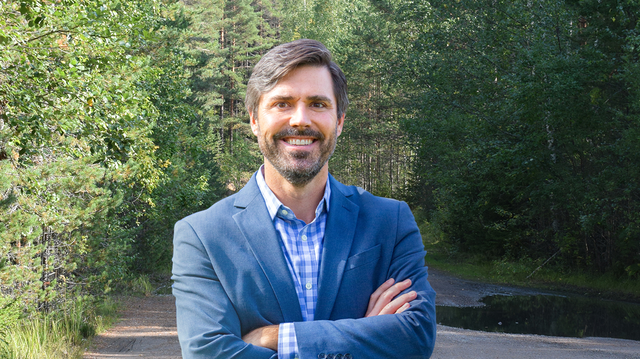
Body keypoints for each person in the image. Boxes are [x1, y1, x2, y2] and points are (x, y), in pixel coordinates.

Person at [172, 39, 436, 359]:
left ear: (339, 122)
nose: (300, 119)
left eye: (318, 104)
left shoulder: (390, 222)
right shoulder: (202, 236)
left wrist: (277, 337)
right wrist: (364, 334)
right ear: (255, 120)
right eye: (282, 103)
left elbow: (416, 336)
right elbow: (208, 353)